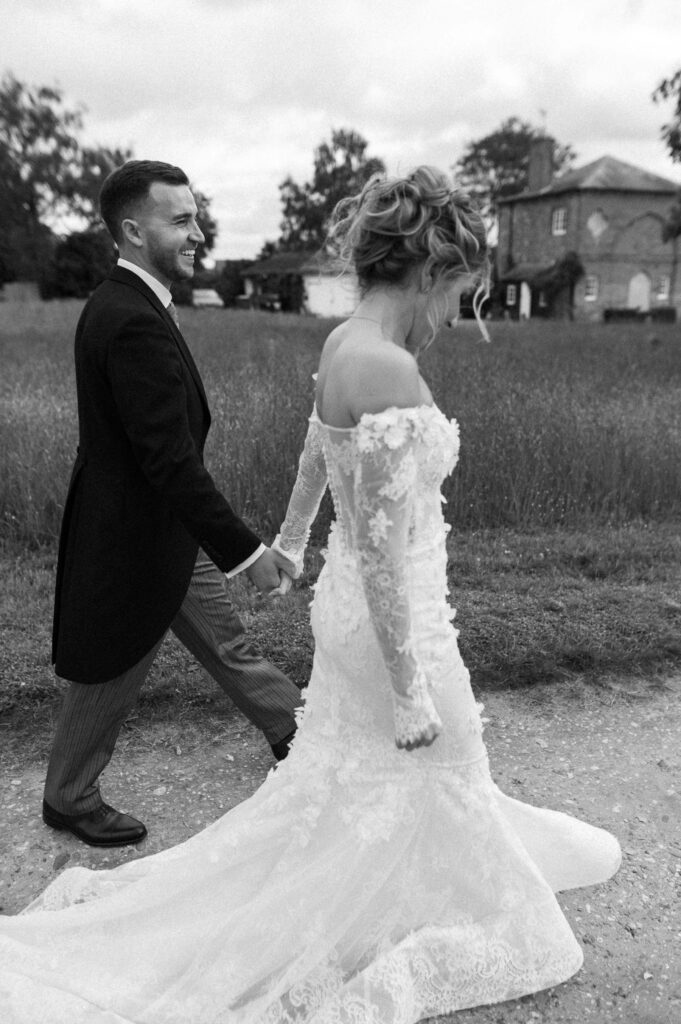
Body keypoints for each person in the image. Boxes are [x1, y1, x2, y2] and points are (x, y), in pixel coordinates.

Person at [0, 167, 620, 1023]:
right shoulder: (390, 369)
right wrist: (407, 686)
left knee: (354, 766)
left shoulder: (341, 345)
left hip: (353, 608)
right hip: (391, 617)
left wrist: (289, 541)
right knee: (422, 751)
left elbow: (313, 451)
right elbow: (375, 549)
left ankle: (401, 861)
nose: (455, 318)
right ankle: (392, 893)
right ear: (431, 271)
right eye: (458, 298)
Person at [42, 159, 301, 849]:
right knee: (112, 668)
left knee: (225, 640)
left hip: (162, 527)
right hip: (133, 535)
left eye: (196, 216)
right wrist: (247, 551)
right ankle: (68, 797)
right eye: (180, 219)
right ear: (132, 229)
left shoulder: (132, 303)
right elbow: (168, 460)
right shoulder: (129, 318)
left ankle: (294, 733)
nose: (197, 232)